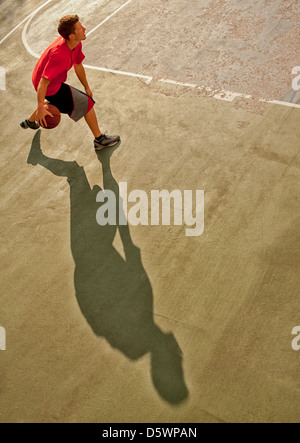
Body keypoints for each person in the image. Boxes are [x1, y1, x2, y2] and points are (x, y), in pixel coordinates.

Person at [20, 15, 120, 151]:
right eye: (80, 28)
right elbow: (43, 83)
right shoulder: (59, 54)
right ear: (71, 35)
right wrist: (40, 106)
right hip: (47, 85)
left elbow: (78, 65)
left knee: (60, 100)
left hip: (43, 77)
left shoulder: (76, 43)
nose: (84, 29)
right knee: (86, 103)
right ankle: (100, 140)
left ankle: (31, 121)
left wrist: (87, 87)